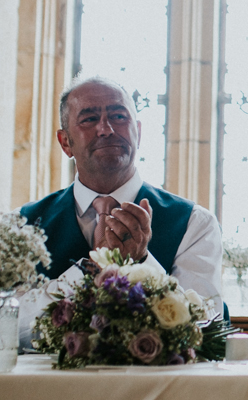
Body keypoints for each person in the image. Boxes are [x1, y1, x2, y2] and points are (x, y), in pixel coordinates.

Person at [20, 77, 224, 315]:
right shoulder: (24, 224)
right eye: (89, 119)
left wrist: (141, 262)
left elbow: (206, 322)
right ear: (65, 143)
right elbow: (6, 325)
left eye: (119, 117)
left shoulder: (194, 223)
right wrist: (90, 270)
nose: (106, 129)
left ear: (137, 132)